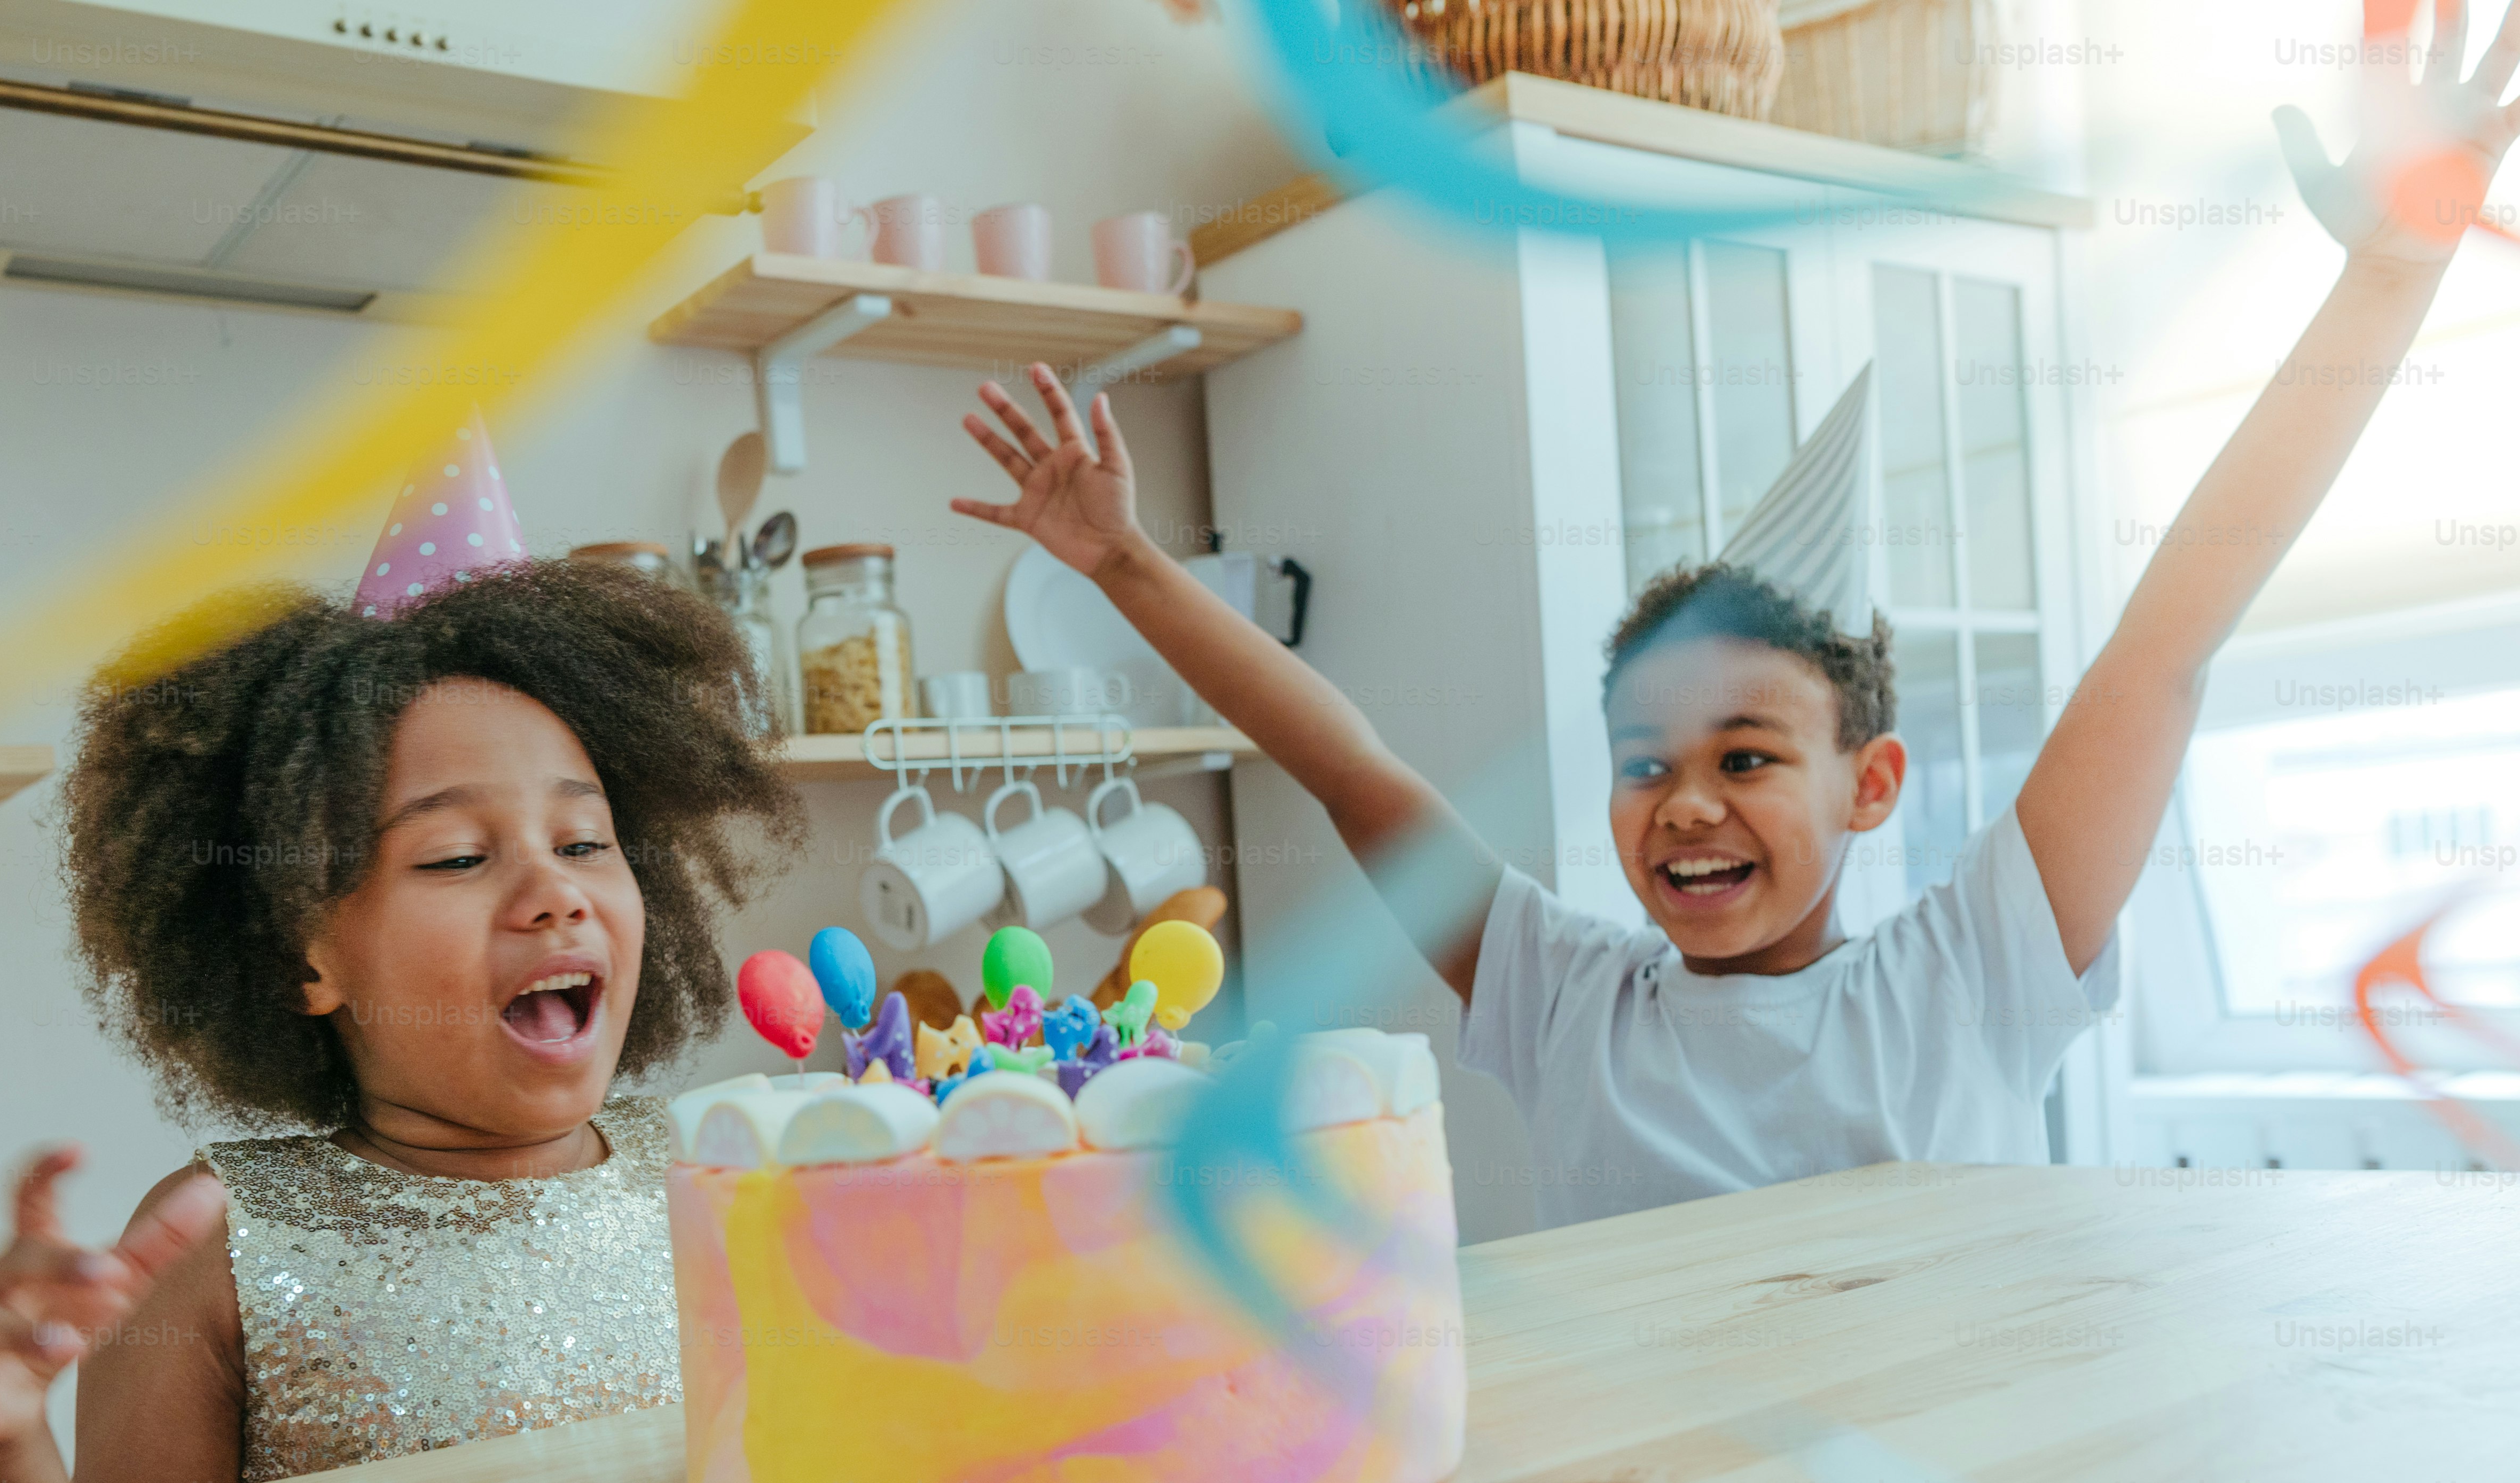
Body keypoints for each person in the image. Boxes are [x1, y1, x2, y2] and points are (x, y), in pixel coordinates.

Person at [950, 19, 2520, 1226]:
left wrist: (2387, 279)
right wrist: (1124, 567)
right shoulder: (1562, 998)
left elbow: (2165, 644)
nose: (1684, 803)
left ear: (1876, 783)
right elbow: (1353, 771)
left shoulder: (1971, 973)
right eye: (1645, 763)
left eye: (1748, 755)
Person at [0, 560, 800, 1483]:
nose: (557, 890)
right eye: (458, 856)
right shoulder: (214, 1244)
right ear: (306, 958)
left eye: (585, 841)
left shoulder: (723, 1167)